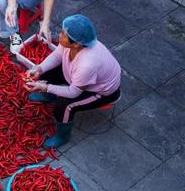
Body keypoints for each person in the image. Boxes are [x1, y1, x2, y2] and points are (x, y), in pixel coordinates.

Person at [25, 15, 121, 148]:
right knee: (46, 73)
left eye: (64, 34)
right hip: (79, 78)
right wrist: (40, 68)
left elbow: (73, 93)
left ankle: (63, 136)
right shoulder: (73, 44)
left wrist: (46, 87)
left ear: (76, 44)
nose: (60, 34)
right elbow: (57, 56)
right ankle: (48, 95)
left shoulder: (87, 64)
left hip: (102, 92)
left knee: (65, 105)